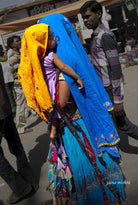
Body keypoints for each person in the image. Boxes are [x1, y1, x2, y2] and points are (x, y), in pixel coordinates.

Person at [19, 20, 127, 204]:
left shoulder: (50, 64)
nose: (55, 38)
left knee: (82, 166)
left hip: (72, 125)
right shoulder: (65, 58)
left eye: (55, 34)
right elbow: (62, 99)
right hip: (79, 122)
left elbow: (57, 101)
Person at [80, 0, 138, 140]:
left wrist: (118, 100)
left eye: (88, 16)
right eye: (83, 18)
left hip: (110, 89)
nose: (85, 21)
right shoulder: (95, 36)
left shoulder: (105, 36)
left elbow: (116, 70)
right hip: (103, 89)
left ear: (99, 14)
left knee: (123, 124)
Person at [0, 64, 38, 204]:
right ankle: (30, 181)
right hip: (5, 109)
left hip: (2, 112)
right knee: (16, 147)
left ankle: (21, 188)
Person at [7, 36, 31, 134]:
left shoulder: (18, 53)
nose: (19, 42)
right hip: (20, 85)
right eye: (17, 41)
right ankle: (21, 127)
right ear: (12, 45)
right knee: (20, 106)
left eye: (19, 40)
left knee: (24, 105)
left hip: (24, 83)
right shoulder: (13, 56)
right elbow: (18, 71)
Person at [0, 45, 16, 116]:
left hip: (13, 77)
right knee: (10, 95)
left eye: (0, 48)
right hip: (5, 80)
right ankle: (14, 108)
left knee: (18, 94)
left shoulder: (8, 54)